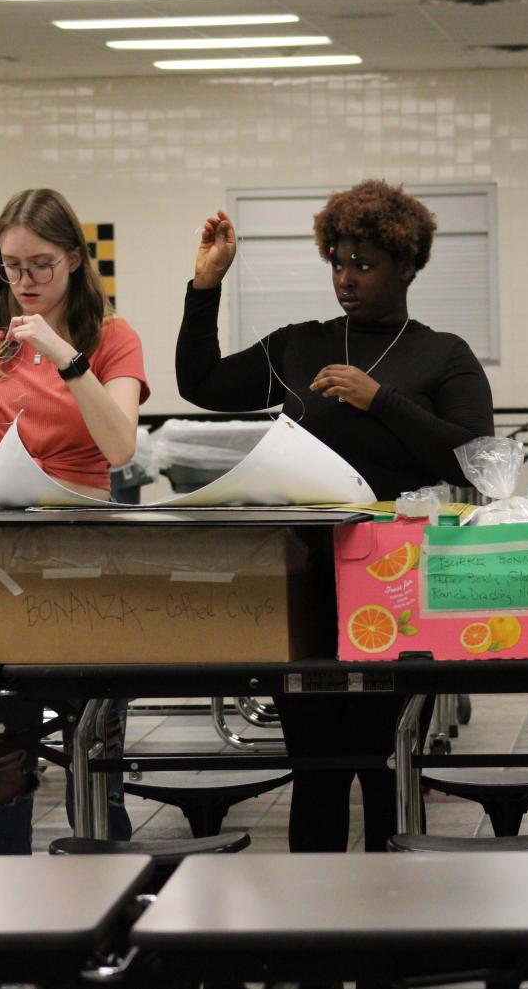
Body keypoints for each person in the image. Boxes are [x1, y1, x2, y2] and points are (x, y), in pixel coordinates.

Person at [177, 180, 494, 853]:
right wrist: (204, 286)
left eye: (365, 264)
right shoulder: (299, 345)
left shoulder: (443, 354)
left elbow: (473, 456)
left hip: (400, 583)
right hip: (307, 580)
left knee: (385, 767)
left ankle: (395, 933)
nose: (347, 279)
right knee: (314, 768)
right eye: (338, 263)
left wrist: (379, 399)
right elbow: (200, 384)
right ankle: (312, 938)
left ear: (408, 267)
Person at [0, 187, 147, 853]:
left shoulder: (111, 337)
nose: (24, 281)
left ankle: (105, 887)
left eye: (40, 264)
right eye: (10, 266)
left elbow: (120, 447)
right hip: (5, 560)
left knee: (93, 744)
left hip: (90, 557)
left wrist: (65, 357)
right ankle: (4, 902)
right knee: (3, 751)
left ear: (75, 259)